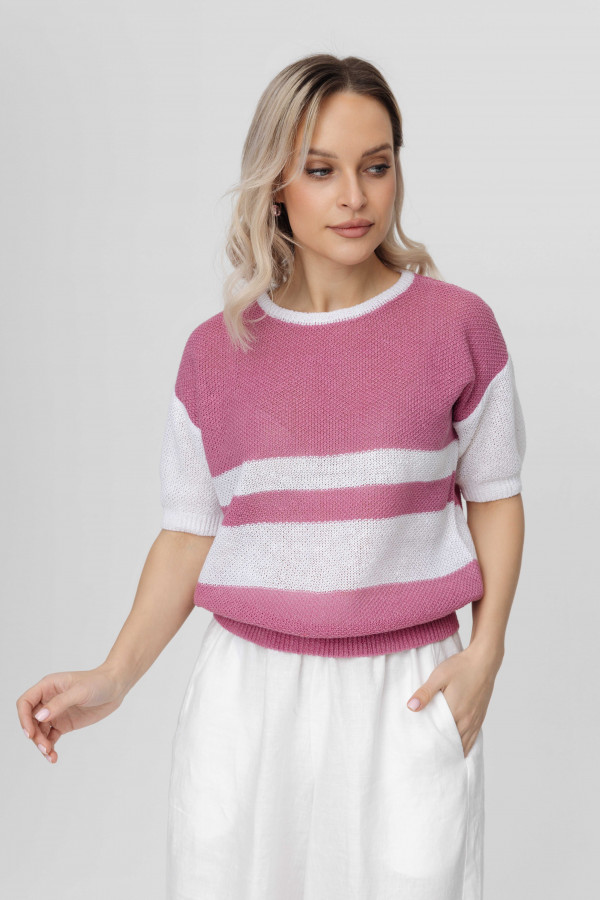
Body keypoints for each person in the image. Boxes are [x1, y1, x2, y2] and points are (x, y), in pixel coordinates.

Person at [16, 53, 526, 899]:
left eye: (376, 166)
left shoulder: (458, 327)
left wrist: (487, 653)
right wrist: (113, 675)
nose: (354, 197)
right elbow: (189, 534)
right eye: (321, 171)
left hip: (408, 690)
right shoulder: (214, 353)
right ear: (276, 185)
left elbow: (497, 497)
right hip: (246, 700)